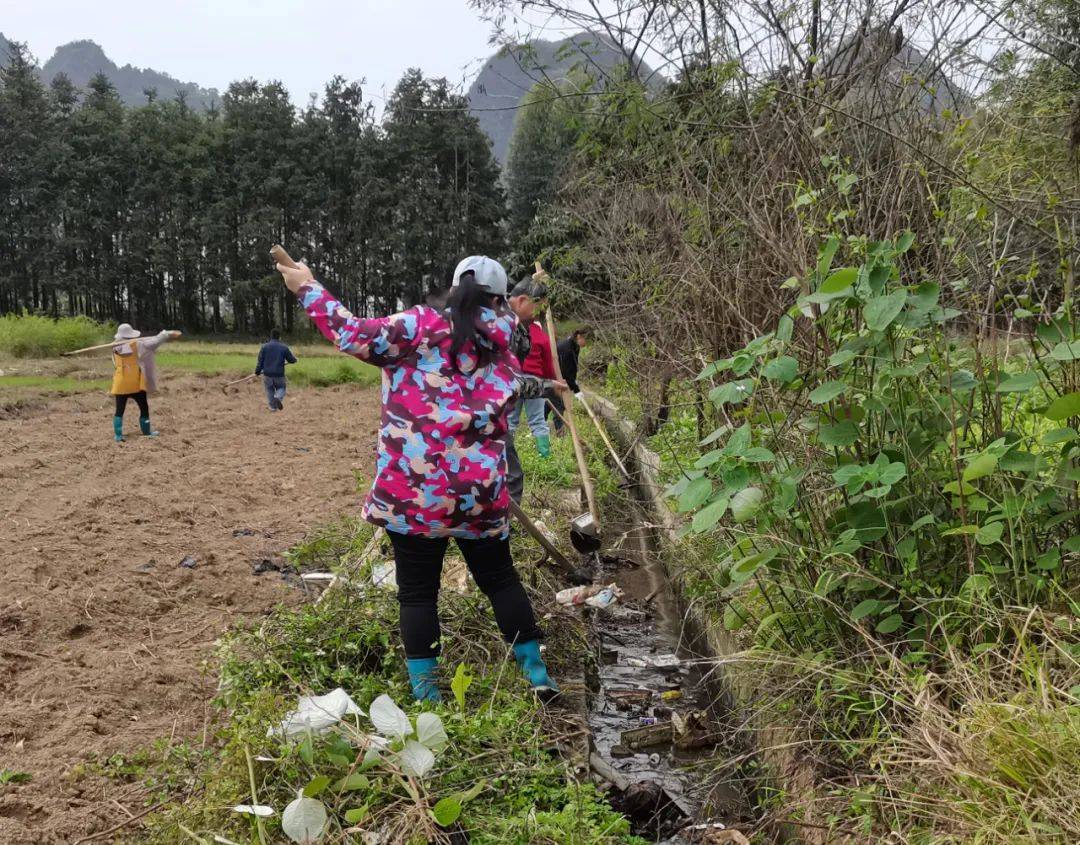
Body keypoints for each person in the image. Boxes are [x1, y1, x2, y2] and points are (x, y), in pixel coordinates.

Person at [275, 254, 565, 702]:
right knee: (501, 580)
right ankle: (539, 676)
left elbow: (351, 333)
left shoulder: (421, 327)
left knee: (417, 593)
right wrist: (549, 387)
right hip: (480, 492)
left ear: (454, 287)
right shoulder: (510, 340)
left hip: (415, 492)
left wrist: (306, 286)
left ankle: (429, 696)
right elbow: (516, 387)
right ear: (503, 298)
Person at [504, 273, 550, 503]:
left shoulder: (522, 326)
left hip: (523, 385)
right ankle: (503, 525)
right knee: (511, 472)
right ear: (522, 300)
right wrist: (550, 383)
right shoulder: (501, 325)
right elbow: (503, 381)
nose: (536, 313)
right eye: (536, 306)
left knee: (527, 422)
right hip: (518, 387)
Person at [110, 323, 181, 442]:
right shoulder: (139, 344)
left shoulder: (115, 347)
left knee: (119, 409)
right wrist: (167, 333)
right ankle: (147, 431)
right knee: (144, 407)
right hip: (135, 382)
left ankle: (118, 435)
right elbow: (156, 341)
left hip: (120, 382)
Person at [548, 327, 588, 434]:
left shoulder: (575, 346)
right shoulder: (567, 348)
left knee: (549, 403)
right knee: (559, 405)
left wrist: (574, 381)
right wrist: (576, 390)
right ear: (579, 337)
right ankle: (560, 432)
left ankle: (538, 426)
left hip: (558, 377)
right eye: (586, 339)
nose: (587, 342)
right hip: (554, 377)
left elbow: (573, 367)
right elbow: (566, 372)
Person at [255, 328, 297, 411]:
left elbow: (260, 361)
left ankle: (272, 408)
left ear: (271, 336)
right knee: (281, 388)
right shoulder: (284, 347)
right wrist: (295, 360)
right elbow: (291, 360)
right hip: (279, 374)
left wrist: (257, 371)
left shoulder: (264, 347)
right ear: (279, 337)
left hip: (267, 374)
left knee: (269, 390)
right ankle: (278, 397)